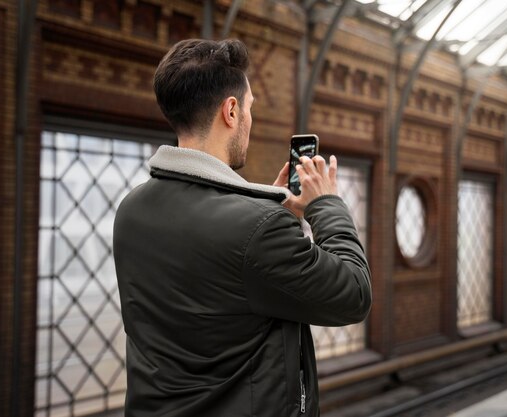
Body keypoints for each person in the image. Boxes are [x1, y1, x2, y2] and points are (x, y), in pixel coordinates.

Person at [113, 38, 372, 417]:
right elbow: (354, 293)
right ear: (231, 111)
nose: (251, 120)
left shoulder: (131, 210)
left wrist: (278, 215)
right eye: (250, 108)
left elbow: (219, 290)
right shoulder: (257, 229)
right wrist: (324, 205)